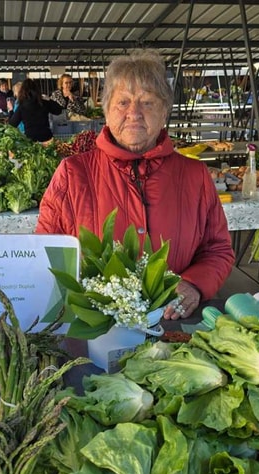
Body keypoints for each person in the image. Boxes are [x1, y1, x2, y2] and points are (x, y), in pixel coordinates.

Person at [35, 50, 235, 320]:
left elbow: (217, 249)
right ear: (107, 111)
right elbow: (45, 253)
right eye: (123, 102)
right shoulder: (72, 174)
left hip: (173, 323)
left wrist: (194, 285)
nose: (134, 113)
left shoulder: (195, 175)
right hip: (97, 327)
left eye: (148, 102)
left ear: (164, 112)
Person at [8, 78, 63, 142]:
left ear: (22, 91)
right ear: (37, 89)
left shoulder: (22, 106)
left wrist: (11, 110)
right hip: (46, 137)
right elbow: (58, 111)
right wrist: (49, 99)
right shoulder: (44, 103)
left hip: (31, 140)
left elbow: (12, 124)